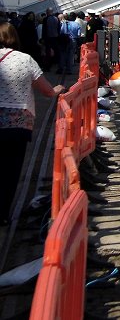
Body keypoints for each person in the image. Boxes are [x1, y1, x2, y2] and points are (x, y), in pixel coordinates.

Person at [0, 22, 64, 224]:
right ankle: (2, 215)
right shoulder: (25, 60)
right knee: (10, 170)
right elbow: (45, 90)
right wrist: (57, 90)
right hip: (18, 122)